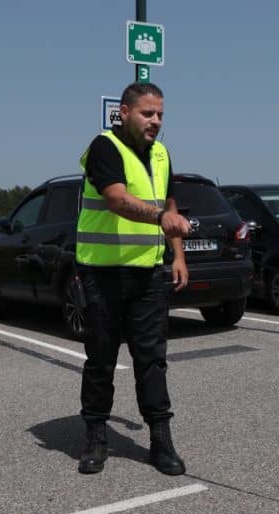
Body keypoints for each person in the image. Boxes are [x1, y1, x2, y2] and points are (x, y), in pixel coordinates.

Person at [75, 82, 191, 476]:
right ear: (123, 112)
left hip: (147, 273)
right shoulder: (104, 147)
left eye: (160, 114)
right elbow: (117, 199)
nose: (156, 121)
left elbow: (169, 204)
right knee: (101, 359)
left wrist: (177, 255)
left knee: (152, 360)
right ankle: (95, 437)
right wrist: (160, 218)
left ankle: (161, 441)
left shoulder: (161, 154)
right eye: (147, 113)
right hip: (103, 273)